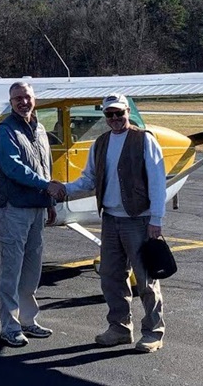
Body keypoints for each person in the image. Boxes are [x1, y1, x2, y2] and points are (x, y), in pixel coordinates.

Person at [52, 93, 166, 353]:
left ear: (128, 112)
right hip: (111, 219)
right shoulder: (100, 143)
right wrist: (64, 189)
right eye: (109, 114)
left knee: (146, 280)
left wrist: (156, 219)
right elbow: (88, 180)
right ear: (104, 117)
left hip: (138, 219)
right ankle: (119, 328)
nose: (115, 118)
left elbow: (158, 182)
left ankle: (153, 331)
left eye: (119, 113)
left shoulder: (144, 140)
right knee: (111, 276)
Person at [0, 81, 65, 347]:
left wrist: (49, 202)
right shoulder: (5, 130)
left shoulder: (40, 129)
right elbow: (12, 167)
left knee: (32, 269)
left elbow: (44, 167)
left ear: (35, 99)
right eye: (17, 98)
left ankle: (27, 320)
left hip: (36, 208)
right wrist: (47, 186)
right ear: (11, 103)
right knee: (11, 269)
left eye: (27, 97)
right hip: (12, 208)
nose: (23, 102)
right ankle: (9, 326)